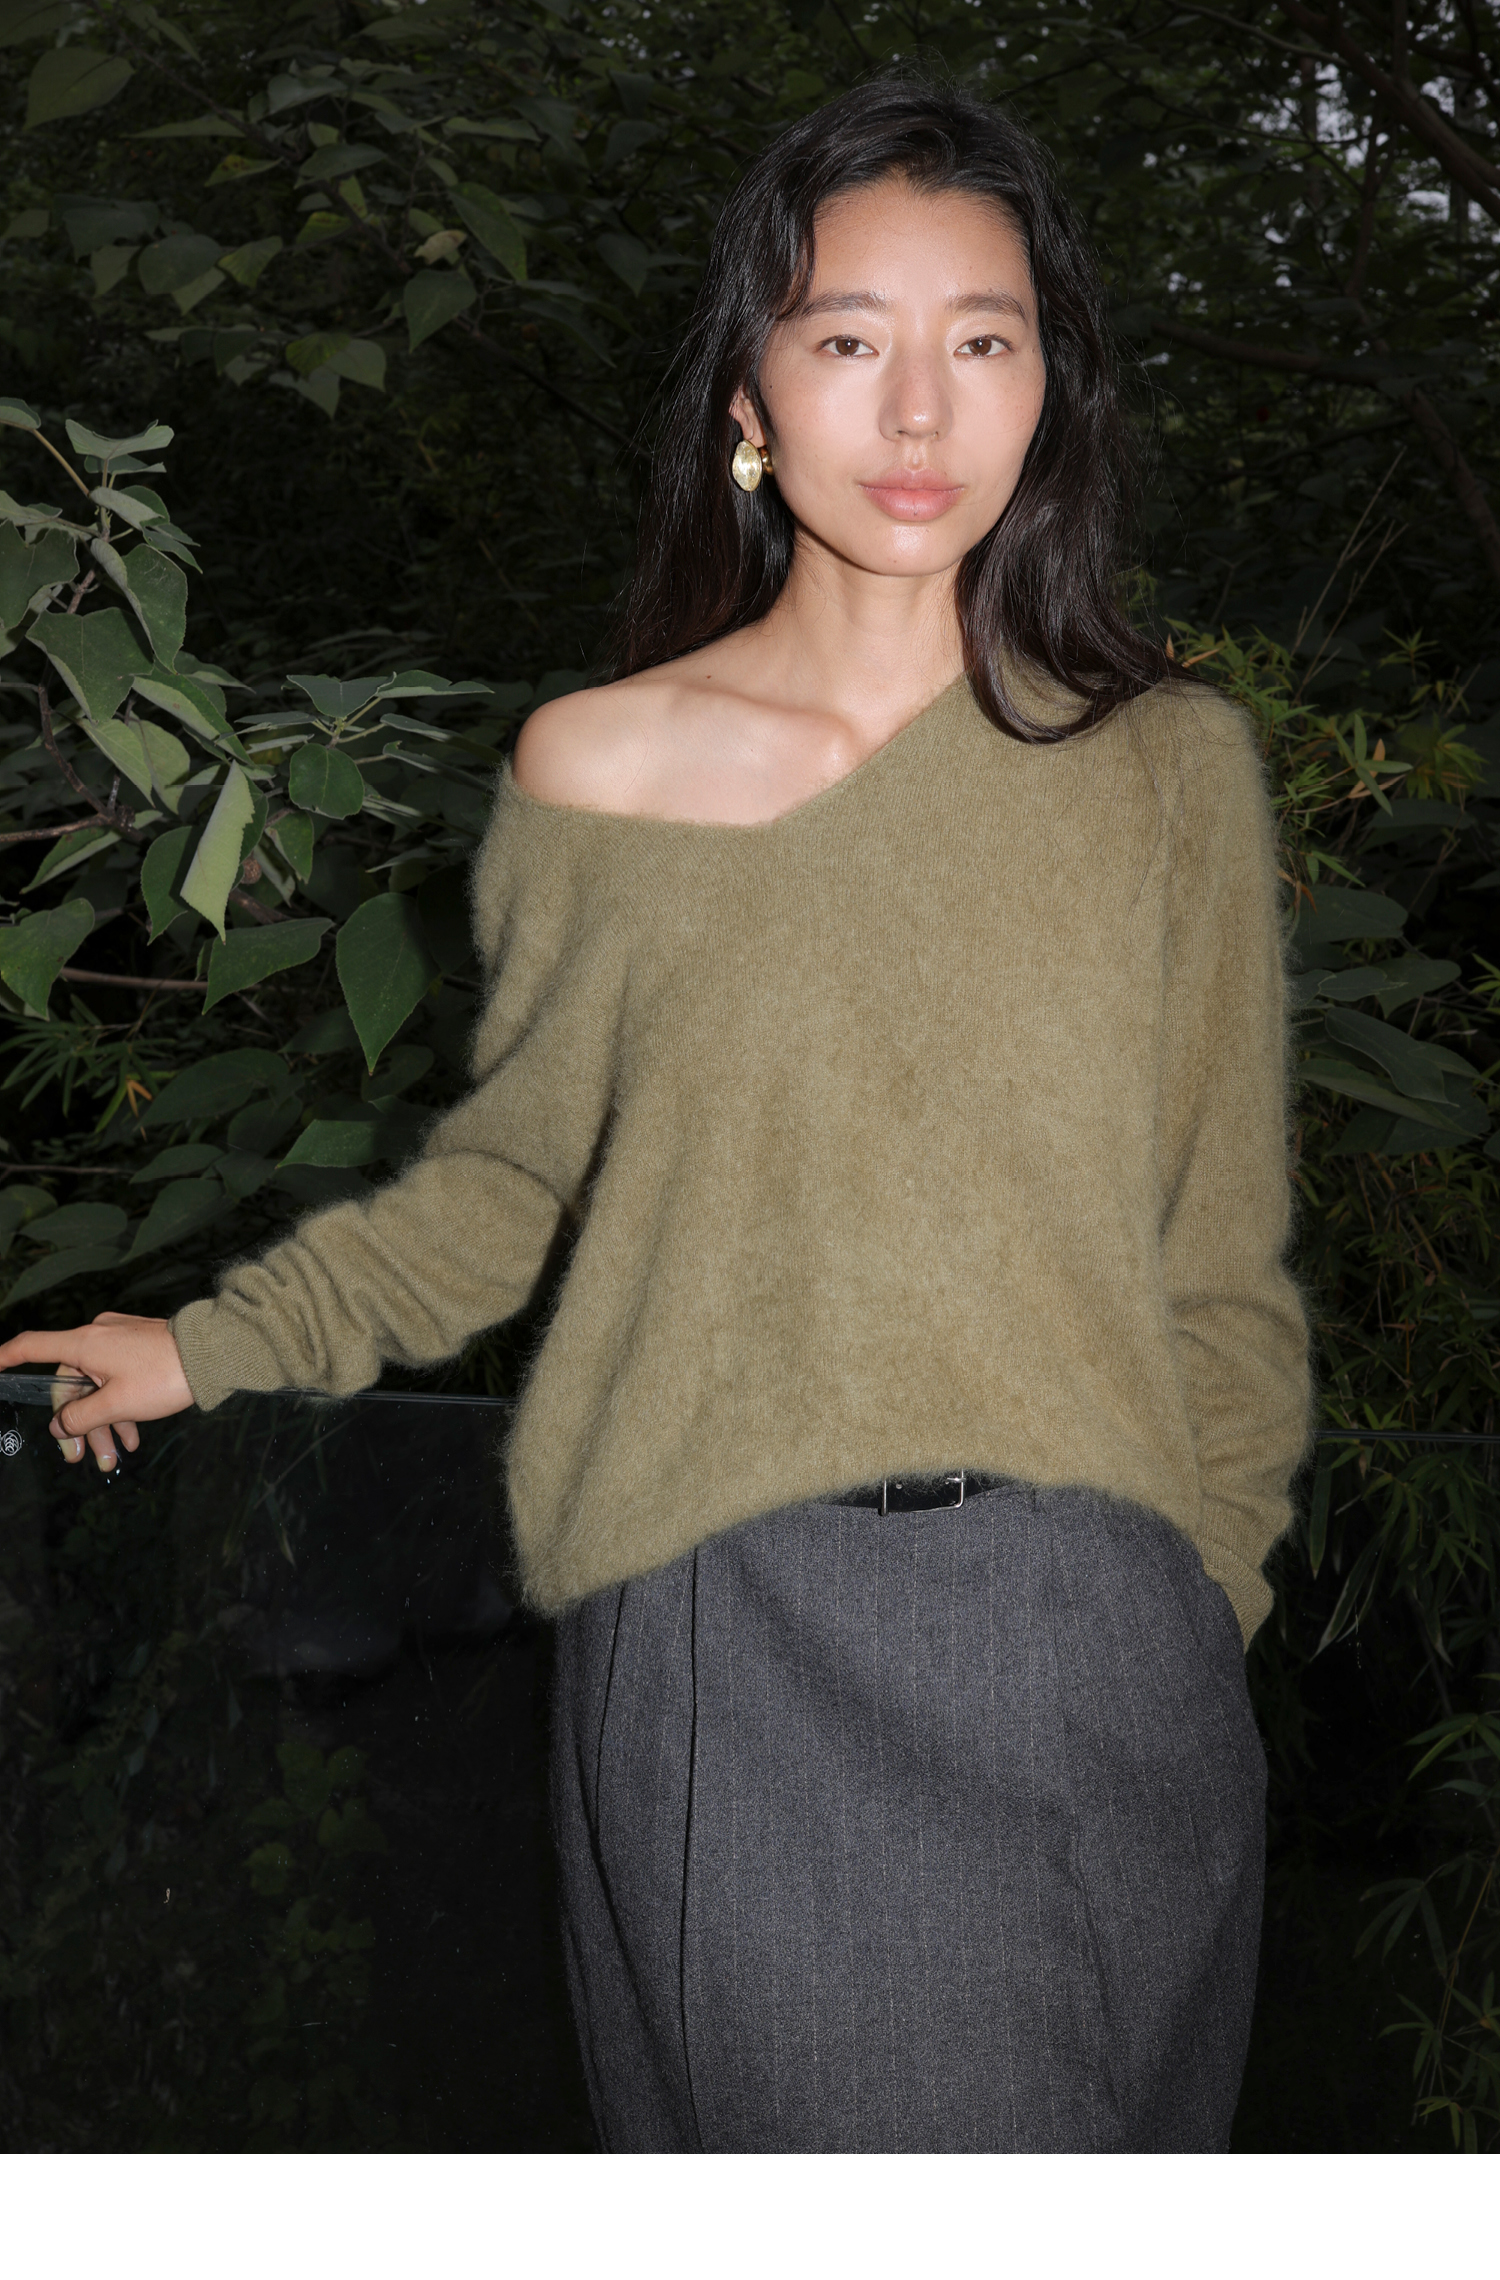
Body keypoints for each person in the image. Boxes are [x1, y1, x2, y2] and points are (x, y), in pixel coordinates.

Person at [0, 76, 1311, 2152]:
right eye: (849, 337)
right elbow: (516, 1178)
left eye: (984, 340)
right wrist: (217, 1344)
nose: (920, 409)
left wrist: (1196, 1613)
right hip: (733, 1633)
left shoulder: (1165, 769)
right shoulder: (602, 763)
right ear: (750, 401)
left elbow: (1217, 1257)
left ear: (1050, 393)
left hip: (1102, 1643)